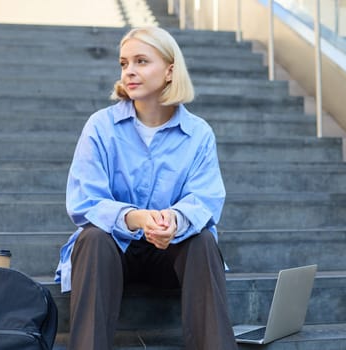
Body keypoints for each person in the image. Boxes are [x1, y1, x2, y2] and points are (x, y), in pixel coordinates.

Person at [55, 26, 238, 350]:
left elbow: (205, 198)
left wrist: (174, 221)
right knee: (93, 237)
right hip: (113, 253)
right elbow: (85, 201)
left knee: (203, 240)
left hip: (171, 254)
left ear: (170, 71)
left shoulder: (198, 133)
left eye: (141, 61)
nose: (130, 71)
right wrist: (136, 218)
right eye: (124, 63)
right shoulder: (101, 126)